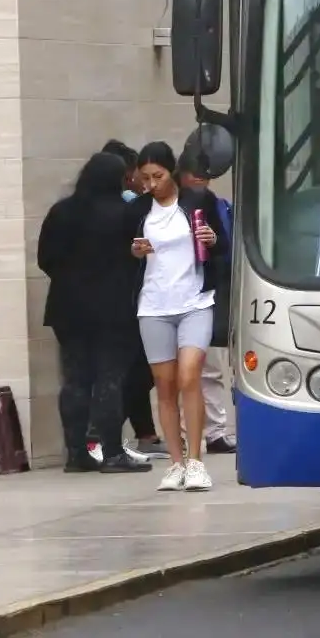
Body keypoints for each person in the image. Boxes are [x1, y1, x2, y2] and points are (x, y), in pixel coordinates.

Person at [37, 152, 152, 474]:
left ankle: (76, 453)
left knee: (75, 380)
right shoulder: (125, 214)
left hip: (66, 308)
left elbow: (45, 259)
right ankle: (113, 452)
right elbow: (138, 258)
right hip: (112, 308)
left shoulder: (61, 212)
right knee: (109, 379)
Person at [130, 142, 229, 491]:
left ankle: (197, 460)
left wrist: (213, 238)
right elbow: (124, 254)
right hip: (154, 305)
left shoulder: (197, 201)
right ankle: (175, 463)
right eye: (145, 178)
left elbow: (223, 245)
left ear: (172, 171)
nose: (151, 184)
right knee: (165, 385)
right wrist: (135, 251)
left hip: (195, 300)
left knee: (190, 376)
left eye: (157, 176)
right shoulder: (140, 209)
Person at [95, 139, 166, 461]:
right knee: (137, 369)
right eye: (139, 173)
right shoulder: (127, 209)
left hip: (127, 300)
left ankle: (146, 435)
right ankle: (100, 433)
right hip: (128, 301)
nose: (143, 180)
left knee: (138, 368)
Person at [178, 150, 236, 455]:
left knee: (209, 367)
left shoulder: (216, 205)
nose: (200, 178)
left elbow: (225, 249)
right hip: (176, 296)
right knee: (186, 371)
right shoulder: (167, 205)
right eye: (194, 172)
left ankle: (212, 430)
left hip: (207, 293)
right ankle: (195, 432)